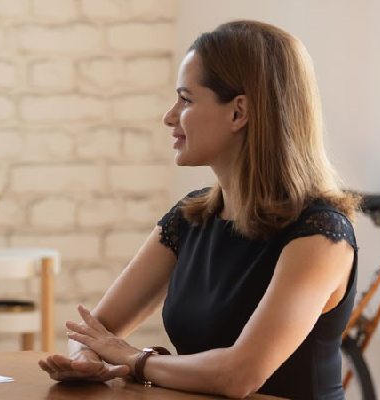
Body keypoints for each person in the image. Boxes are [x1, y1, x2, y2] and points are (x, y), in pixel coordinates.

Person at [39, 20, 360, 400]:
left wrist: (134, 360)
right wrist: (86, 360)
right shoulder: (190, 217)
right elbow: (97, 331)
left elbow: (240, 375)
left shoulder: (320, 234)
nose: (169, 116)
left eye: (186, 100)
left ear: (239, 112)